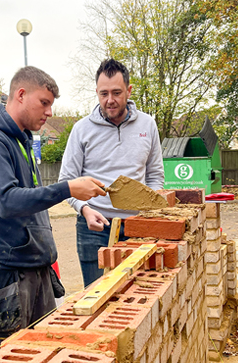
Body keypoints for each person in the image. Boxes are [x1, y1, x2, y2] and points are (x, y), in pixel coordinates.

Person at [0, 66, 106, 356]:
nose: (49, 112)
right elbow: (7, 201)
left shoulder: (22, 140)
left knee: (41, 355)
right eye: (44, 103)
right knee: (6, 362)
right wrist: (67, 188)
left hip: (32, 266)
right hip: (4, 272)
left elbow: (31, 203)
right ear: (20, 94)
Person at [58, 59, 164, 288]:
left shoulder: (147, 125)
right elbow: (66, 181)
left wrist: (151, 213)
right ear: (96, 92)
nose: (110, 100)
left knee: (138, 294)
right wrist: (84, 209)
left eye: (116, 93)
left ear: (129, 90)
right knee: (97, 295)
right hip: (93, 228)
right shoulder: (81, 129)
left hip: (138, 226)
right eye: (103, 93)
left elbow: (155, 176)